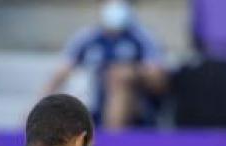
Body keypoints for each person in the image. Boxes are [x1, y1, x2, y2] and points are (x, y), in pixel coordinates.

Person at [43, 0, 168, 129]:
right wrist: (40, 104)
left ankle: (113, 139)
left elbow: (159, 79)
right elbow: (61, 71)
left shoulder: (142, 37)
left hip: (136, 111)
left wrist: (132, 72)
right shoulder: (87, 37)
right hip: (94, 106)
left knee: (119, 80)